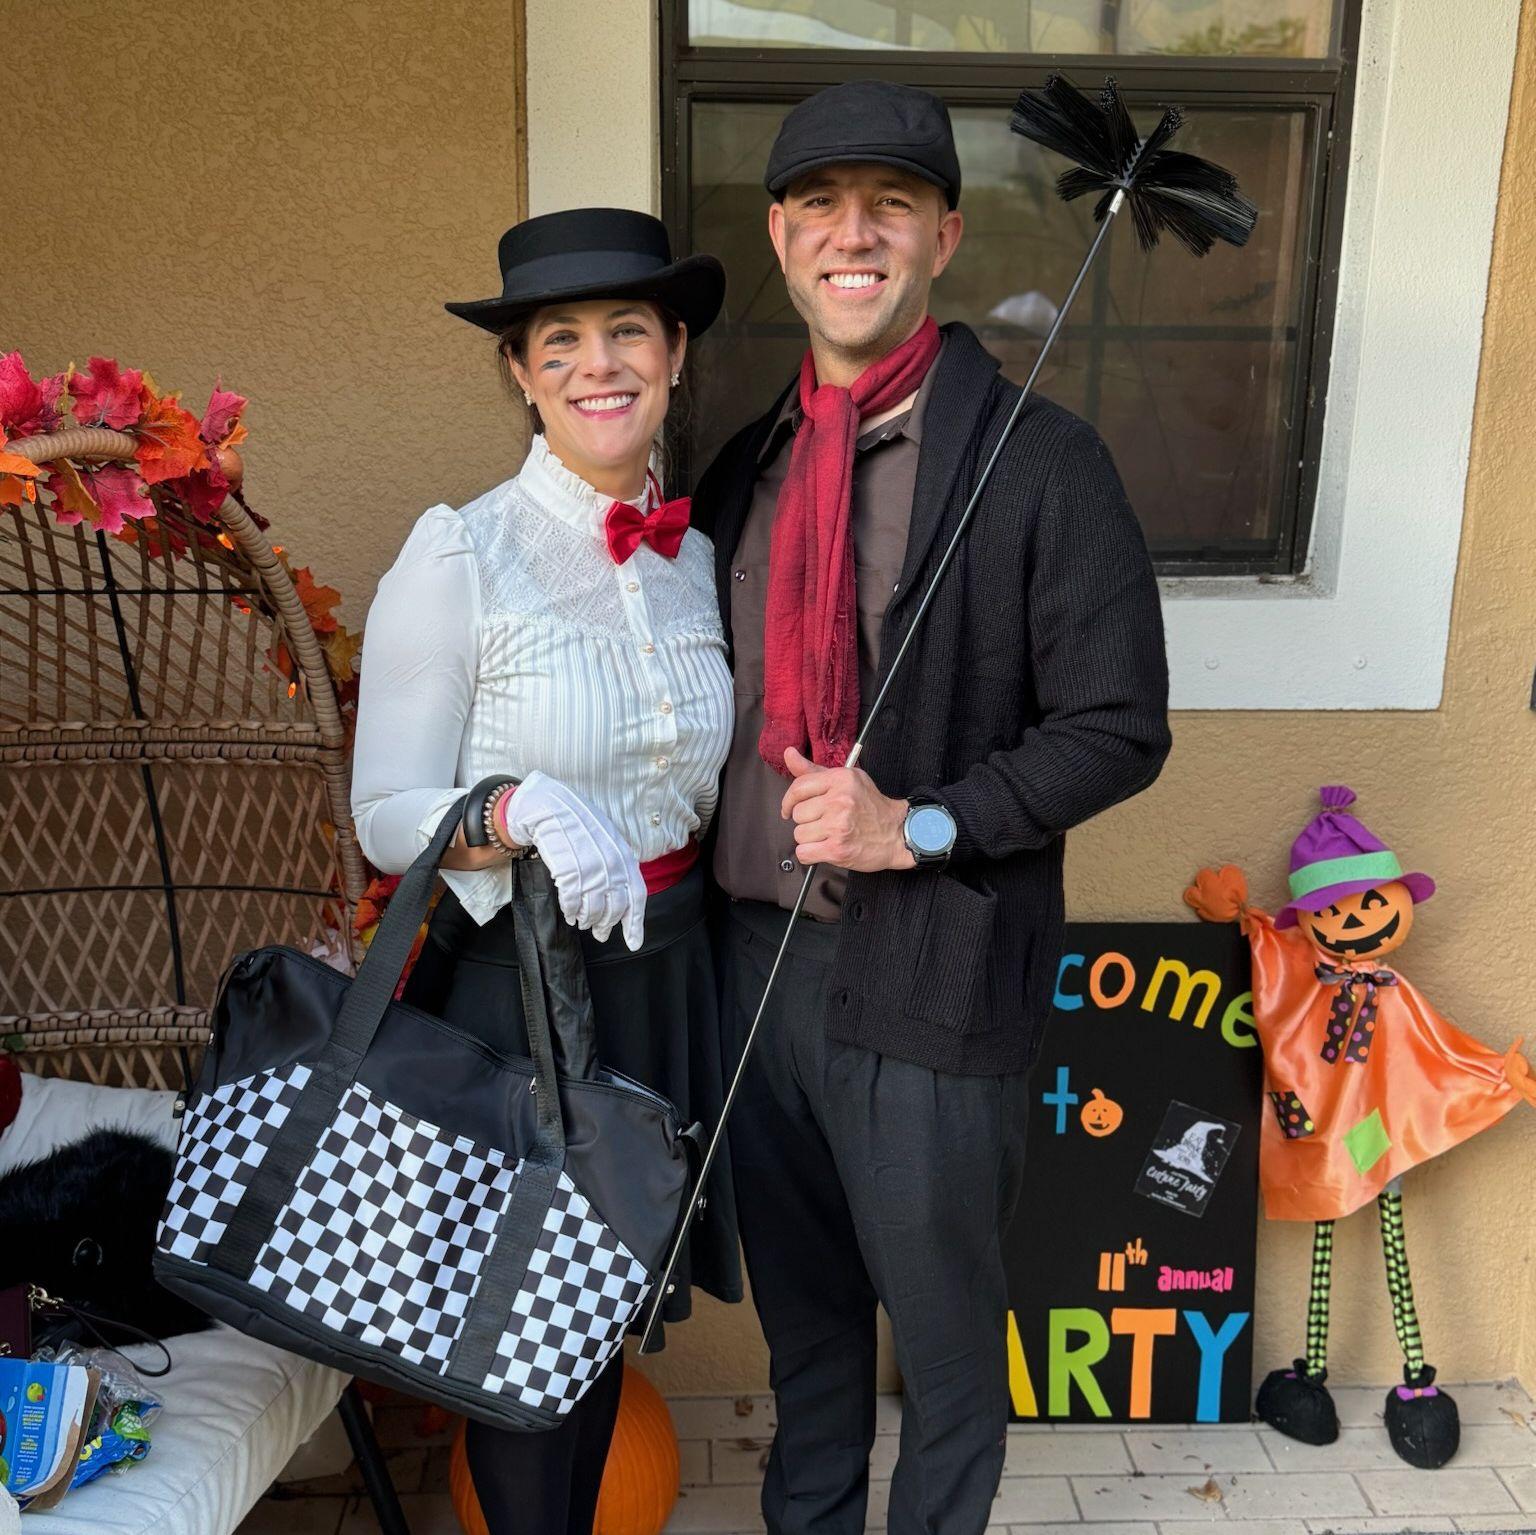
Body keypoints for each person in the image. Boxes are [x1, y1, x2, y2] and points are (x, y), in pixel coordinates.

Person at [695, 82, 1172, 1535]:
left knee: (950, 1350)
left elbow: (1119, 728)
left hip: (929, 976)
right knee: (811, 1332)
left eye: (891, 204)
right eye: (823, 204)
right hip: (750, 971)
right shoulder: (744, 466)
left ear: (943, 235)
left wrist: (923, 823)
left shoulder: (1042, 466)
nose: (857, 234)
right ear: (780, 234)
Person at [350, 207, 741, 1535]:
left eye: (627, 329)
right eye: (556, 340)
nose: (598, 364)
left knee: (596, 1339)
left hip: (673, 976)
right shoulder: (458, 552)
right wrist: (513, 807)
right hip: (522, 999)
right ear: (519, 372)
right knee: (529, 1361)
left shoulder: (700, 560)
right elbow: (384, 814)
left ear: (676, 350)